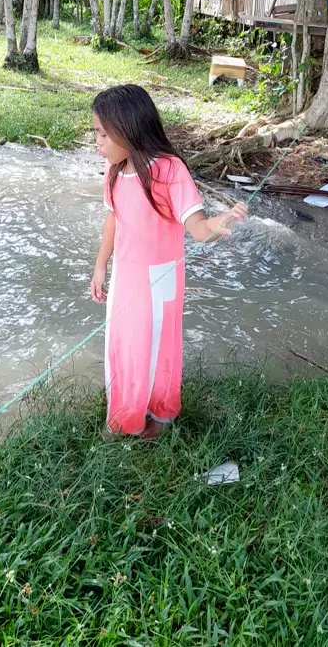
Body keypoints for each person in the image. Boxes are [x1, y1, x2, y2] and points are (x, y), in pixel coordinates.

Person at [91, 85, 248, 439]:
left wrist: (219, 223)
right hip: (125, 280)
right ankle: (125, 416)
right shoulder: (114, 170)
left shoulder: (169, 170)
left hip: (159, 282)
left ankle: (159, 417)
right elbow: (113, 218)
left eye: (102, 134)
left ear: (128, 129)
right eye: (95, 133)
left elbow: (198, 228)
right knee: (122, 346)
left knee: (158, 349)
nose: (97, 142)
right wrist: (101, 265)